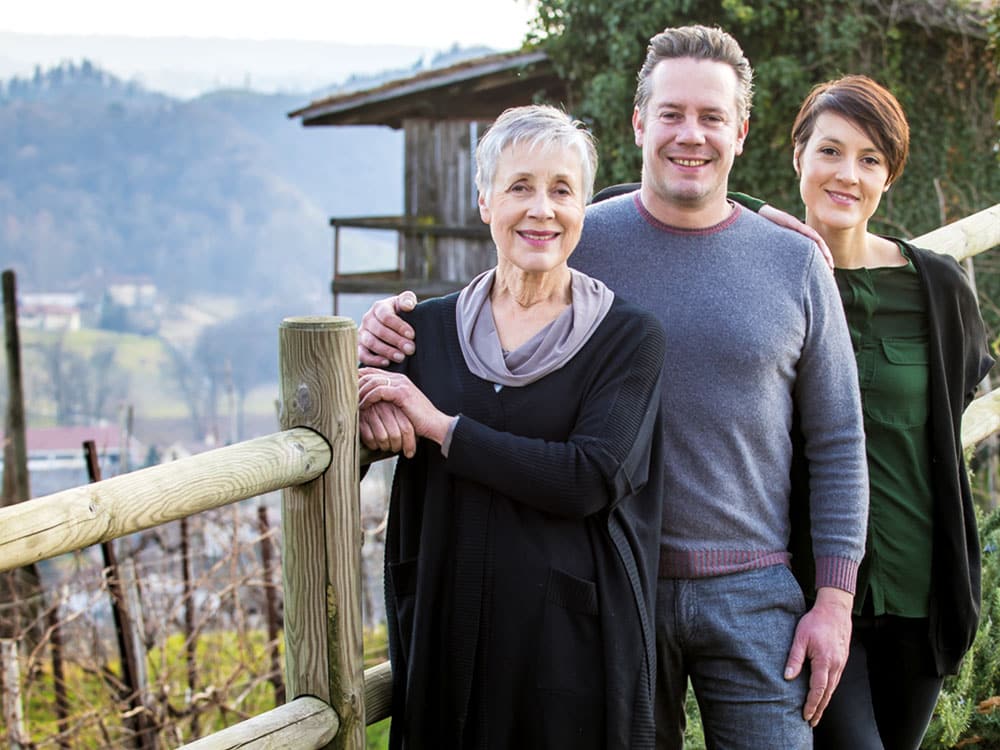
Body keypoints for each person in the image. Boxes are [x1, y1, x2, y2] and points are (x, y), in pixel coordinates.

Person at [357, 25, 870, 749]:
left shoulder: (793, 263)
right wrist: (386, 329)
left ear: (742, 130)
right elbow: (486, 313)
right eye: (671, 113)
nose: (690, 134)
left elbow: (840, 440)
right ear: (639, 123)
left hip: (754, 591)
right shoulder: (577, 234)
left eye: (712, 117)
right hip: (611, 584)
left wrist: (835, 600)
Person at [358, 104, 668, 749]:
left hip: (568, 649)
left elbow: (589, 477)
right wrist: (363, 399)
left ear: (584, 207)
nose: (542, 209)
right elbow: (346, 444)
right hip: (446, 632)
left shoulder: (626, 338)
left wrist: (444, 429)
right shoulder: (422, 332)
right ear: (484, 202)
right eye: (520, 187)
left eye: (562, 190)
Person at [785, 74, 994, 750]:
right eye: (830, 151)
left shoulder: (936, 287)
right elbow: (632, 198)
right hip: (806, 597)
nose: (848, 174)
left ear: (889, 177)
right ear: (799, 158)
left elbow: (949, 407)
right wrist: (758, 212)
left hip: (918, 592)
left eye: (870, 159)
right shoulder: (766, 275)